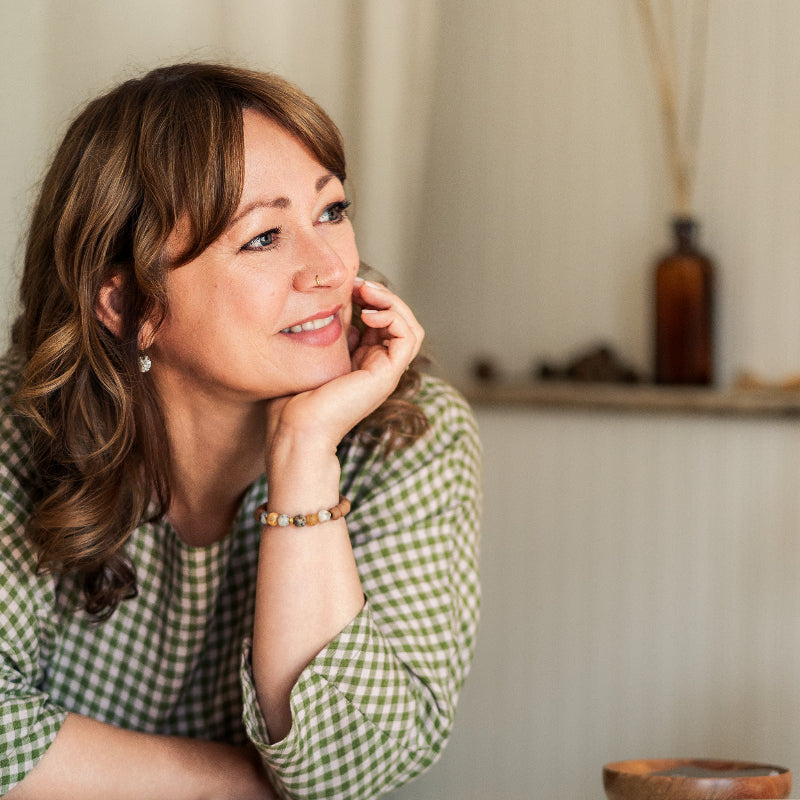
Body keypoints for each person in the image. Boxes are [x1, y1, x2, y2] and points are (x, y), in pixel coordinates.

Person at [0, 63, 481, 799]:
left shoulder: (407, 434)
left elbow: (357, 767)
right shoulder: (20, 429)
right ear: (130, 304)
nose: (328, 268)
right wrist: (237, 787)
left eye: (331, 210)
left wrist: (304, 451)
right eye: (262, 239)